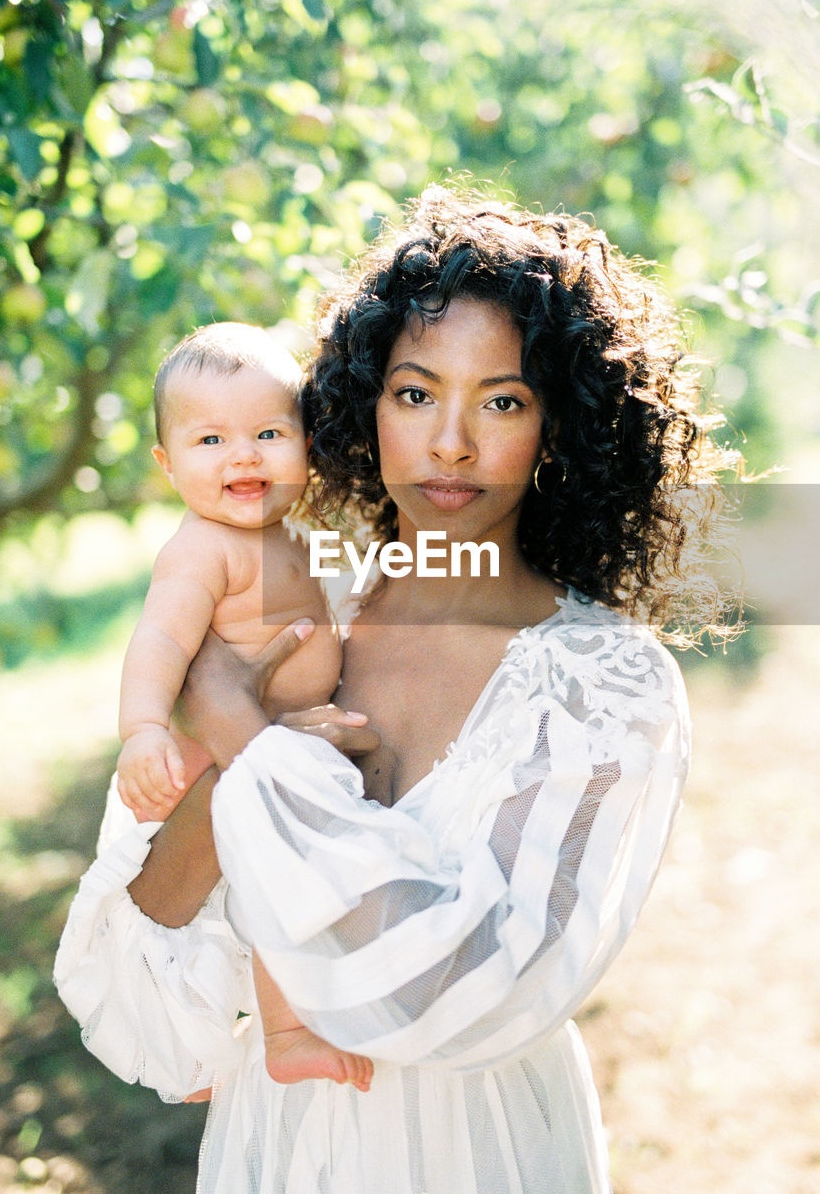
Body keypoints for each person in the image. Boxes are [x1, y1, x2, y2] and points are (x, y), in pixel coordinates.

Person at [55, 186, 736, 1193]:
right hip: (280, 1142)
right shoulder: (281, 620)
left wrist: (248, 737)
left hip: (482, 1150)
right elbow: (139, 989)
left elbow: (471, 993)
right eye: (416, 393)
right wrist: (226, 751)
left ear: (561, 429)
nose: (451, 443)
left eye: (502, 400)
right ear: (363, 403)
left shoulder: (606, 684)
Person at [113, 321, 373, 1093]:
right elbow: (159, 639)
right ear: (166, 464)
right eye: (211, 440)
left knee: (277, 895)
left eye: (268, 432)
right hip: (241, 759)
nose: (244, 455)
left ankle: (211, 1038)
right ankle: (282, 1035)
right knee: (261, 894)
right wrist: (143, 729)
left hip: (294, 744)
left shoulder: (297, 528)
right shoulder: (202, 547)